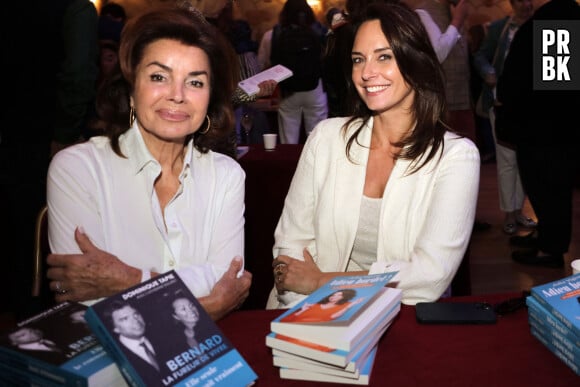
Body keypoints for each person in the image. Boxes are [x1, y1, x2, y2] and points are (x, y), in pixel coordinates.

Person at [266, 3, 480, 309]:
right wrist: (305, 300)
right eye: (358, 59)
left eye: (384, 56)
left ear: (415, 60)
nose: (366, 73)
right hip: (307, 310)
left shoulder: (456, 158)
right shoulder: (326, 138)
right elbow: (290, 245)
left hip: (399, 323)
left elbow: (429, 277)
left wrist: (319, 281)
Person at [45, 3, 252, 321]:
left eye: (195, 82)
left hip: (204, 360)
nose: (177, 95)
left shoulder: (226, 175)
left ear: (210, 98)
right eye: (159, 76)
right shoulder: (78, 169)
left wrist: (124, 278)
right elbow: (87, 306)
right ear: (130, 90)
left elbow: (228, 280)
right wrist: (209, 305)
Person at [496, 0, 580, 268]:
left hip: (548, 131)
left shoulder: (559, 17)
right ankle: (545, 236)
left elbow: (557, 89)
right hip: (541, 128)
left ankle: (550, 250)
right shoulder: (555, 16)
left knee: (551, 189)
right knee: (542, 188)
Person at [472, 0, 536, 235]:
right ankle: (510, 213)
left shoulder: (543, 26)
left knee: (526, 160)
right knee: (507, 160)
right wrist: (489, 73)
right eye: (520, 0)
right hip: (501, 102)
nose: (526, 4)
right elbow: (480, 56)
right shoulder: (500, 27)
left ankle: (519, 211)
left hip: (532, 106)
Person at [262, 0, 329, 144]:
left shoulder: (274, 34)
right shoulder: (320, 31)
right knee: (317, 138)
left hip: (288, 90)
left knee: (288, 138)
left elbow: (265, 62)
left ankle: (289, 165)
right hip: (315, 88)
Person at [104, 301, 162, 377]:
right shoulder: (116, 355)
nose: (135, 320)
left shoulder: (162, 336)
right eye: (125, 319)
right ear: (115, 329)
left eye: (136, 314)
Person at [279, 289, 364, 323]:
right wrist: (303, 309)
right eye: (334, 294)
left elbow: (333, 316)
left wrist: (352, 304)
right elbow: (296, 317)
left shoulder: (345, 306)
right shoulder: (316, 305)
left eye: (338, 295)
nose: (334, 296)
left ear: (344, 298)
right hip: (298, 324)